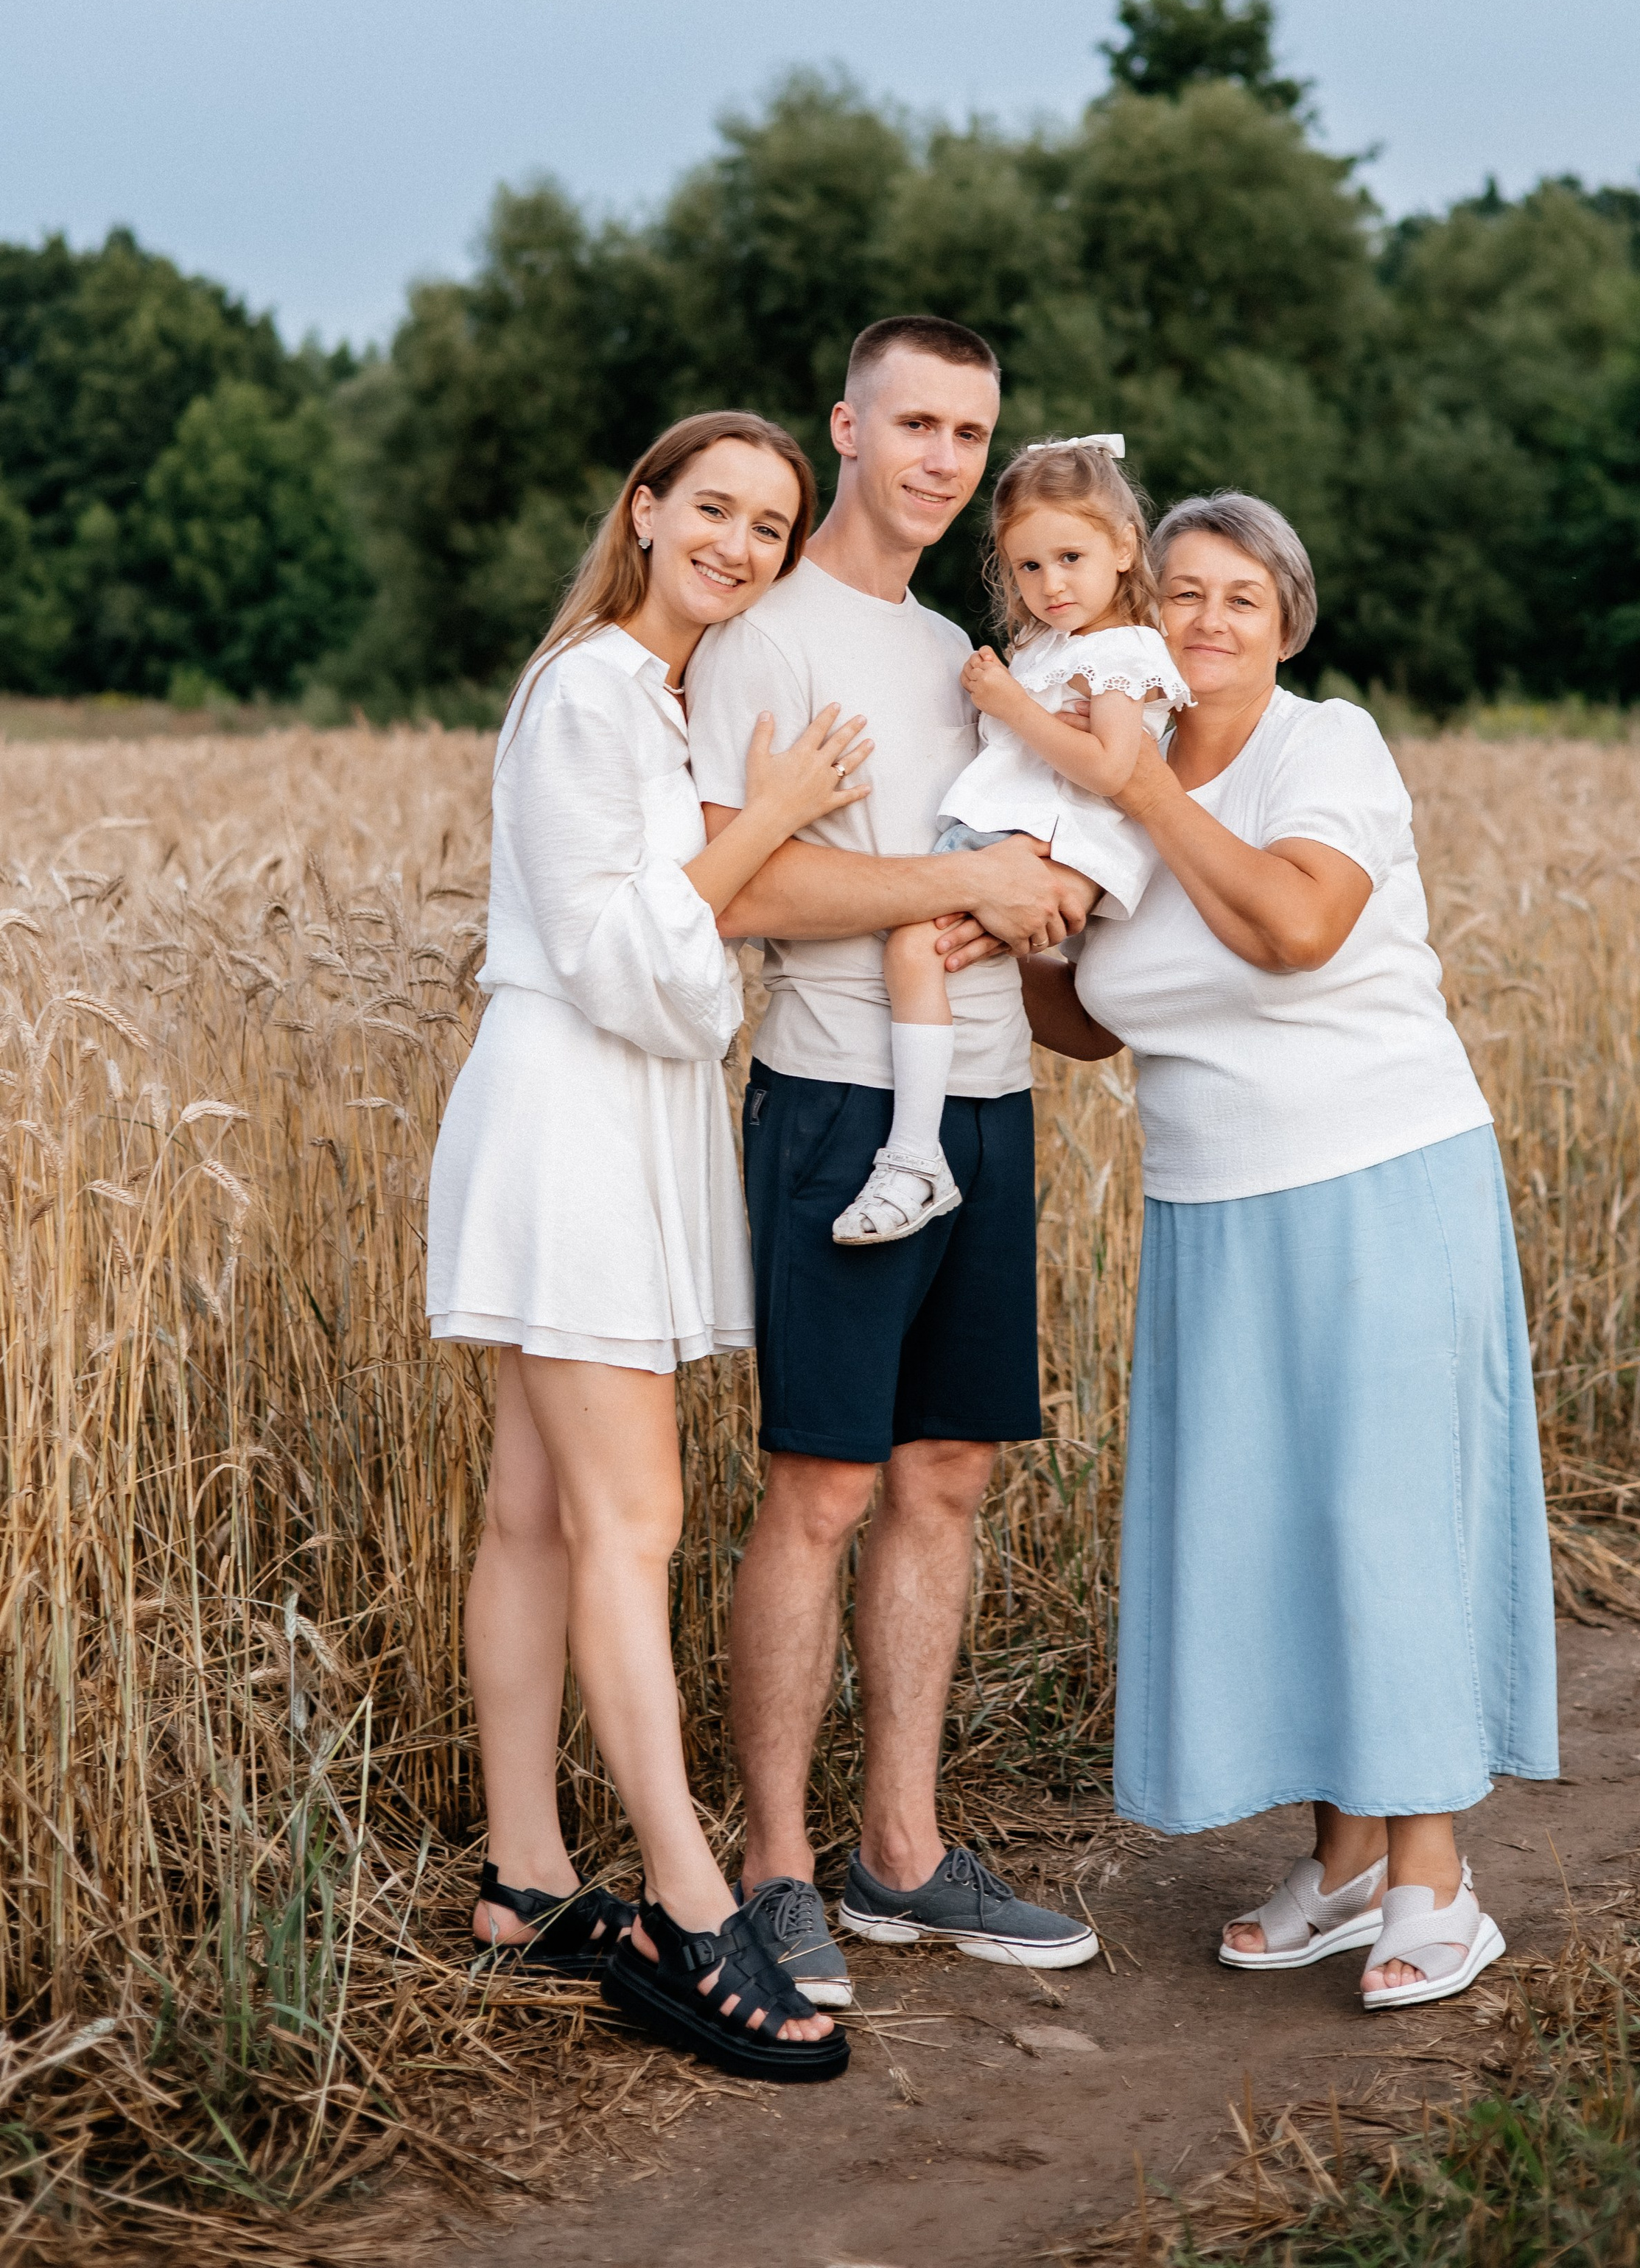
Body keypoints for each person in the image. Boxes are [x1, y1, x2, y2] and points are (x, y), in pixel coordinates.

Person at [1023, 489, 1558, 2012]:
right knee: (1275, 1528)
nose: (1201, 620)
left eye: (1237, 600)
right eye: (1177, 592)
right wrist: (993, 927)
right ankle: (1337, 1866)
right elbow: (1086, 1019)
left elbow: (1290, 928)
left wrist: (1137, 796)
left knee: (1381, 1516)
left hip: (1378, 1176)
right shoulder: (1107, 765)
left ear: (1286, 624)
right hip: (1211, 1201)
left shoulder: (1325, 746)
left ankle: (1435, 1886)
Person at [426, 410, 867, 2085]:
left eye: (769, 523)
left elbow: (666, 936)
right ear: (645, 507)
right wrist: (775, 817)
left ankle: (526, 1880)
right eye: (716, 508)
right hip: (574, 1119)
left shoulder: (649, 696)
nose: (741, 544)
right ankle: (688, 1907)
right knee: (633, 1515)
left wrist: (741, 830)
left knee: (536, 1510)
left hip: (606, 1116)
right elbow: (627, 952)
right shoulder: (594, 687)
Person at [686, 315, 1105, 2009]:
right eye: (912, 422)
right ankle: (776, 1868)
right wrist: (963, 899)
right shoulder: (764, 640)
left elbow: (1037, 861)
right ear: (844, 427)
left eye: (969, 431)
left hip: (987, 1099)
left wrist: (1043, 902)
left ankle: (903, 1855)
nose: (941, 456)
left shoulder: (963, 648)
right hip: (841, 1100)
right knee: (821, 1486)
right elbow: (732, 893)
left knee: (945, 1474)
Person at [831, 429, 1191, 1247]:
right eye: (1028, 567)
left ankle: (914, 1156)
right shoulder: (1054, 646)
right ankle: (918, 1151)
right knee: (922, 950)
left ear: (1127, 547)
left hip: (1049, 844)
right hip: (1019, 838)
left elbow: (1109, 768)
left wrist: (1011, 706)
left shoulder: (1123, 652)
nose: (1050, 584)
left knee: (910, 949)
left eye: (1070, 558)